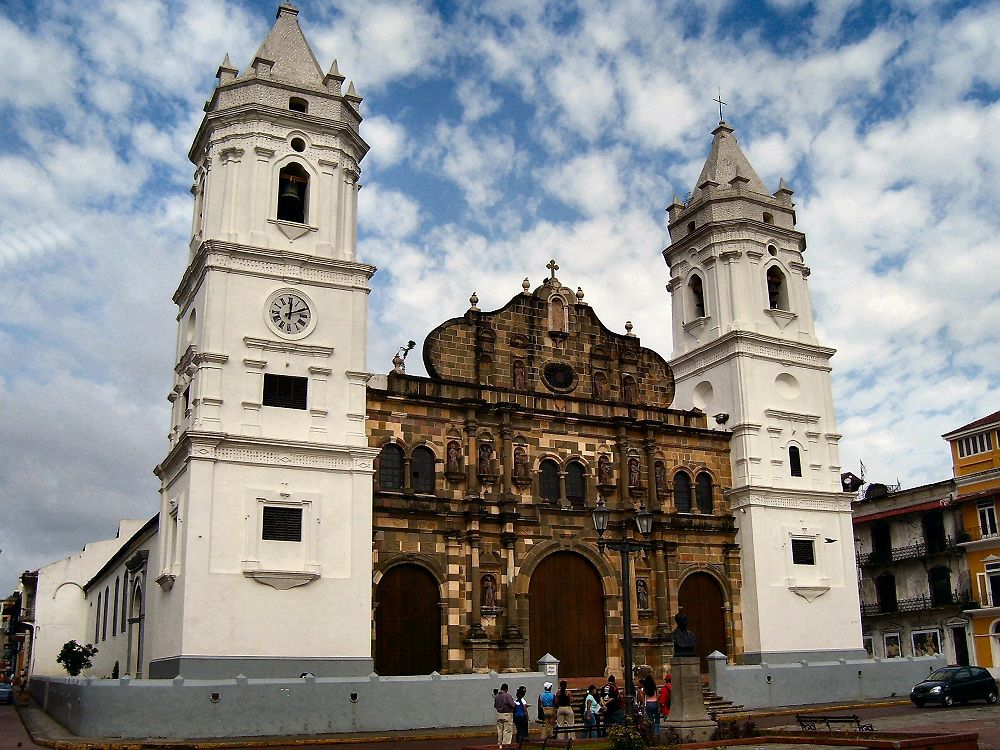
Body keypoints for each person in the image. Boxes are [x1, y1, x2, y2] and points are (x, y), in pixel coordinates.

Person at [494, 683, 517, 749]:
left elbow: (495, 705)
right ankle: (506, 745)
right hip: (507, 714)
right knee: (507, 730)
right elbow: (512, 705)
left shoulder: (497, 696)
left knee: (500, 730)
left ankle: (500, 744)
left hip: (499, 714)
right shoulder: (507, 696)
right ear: (506, 689)